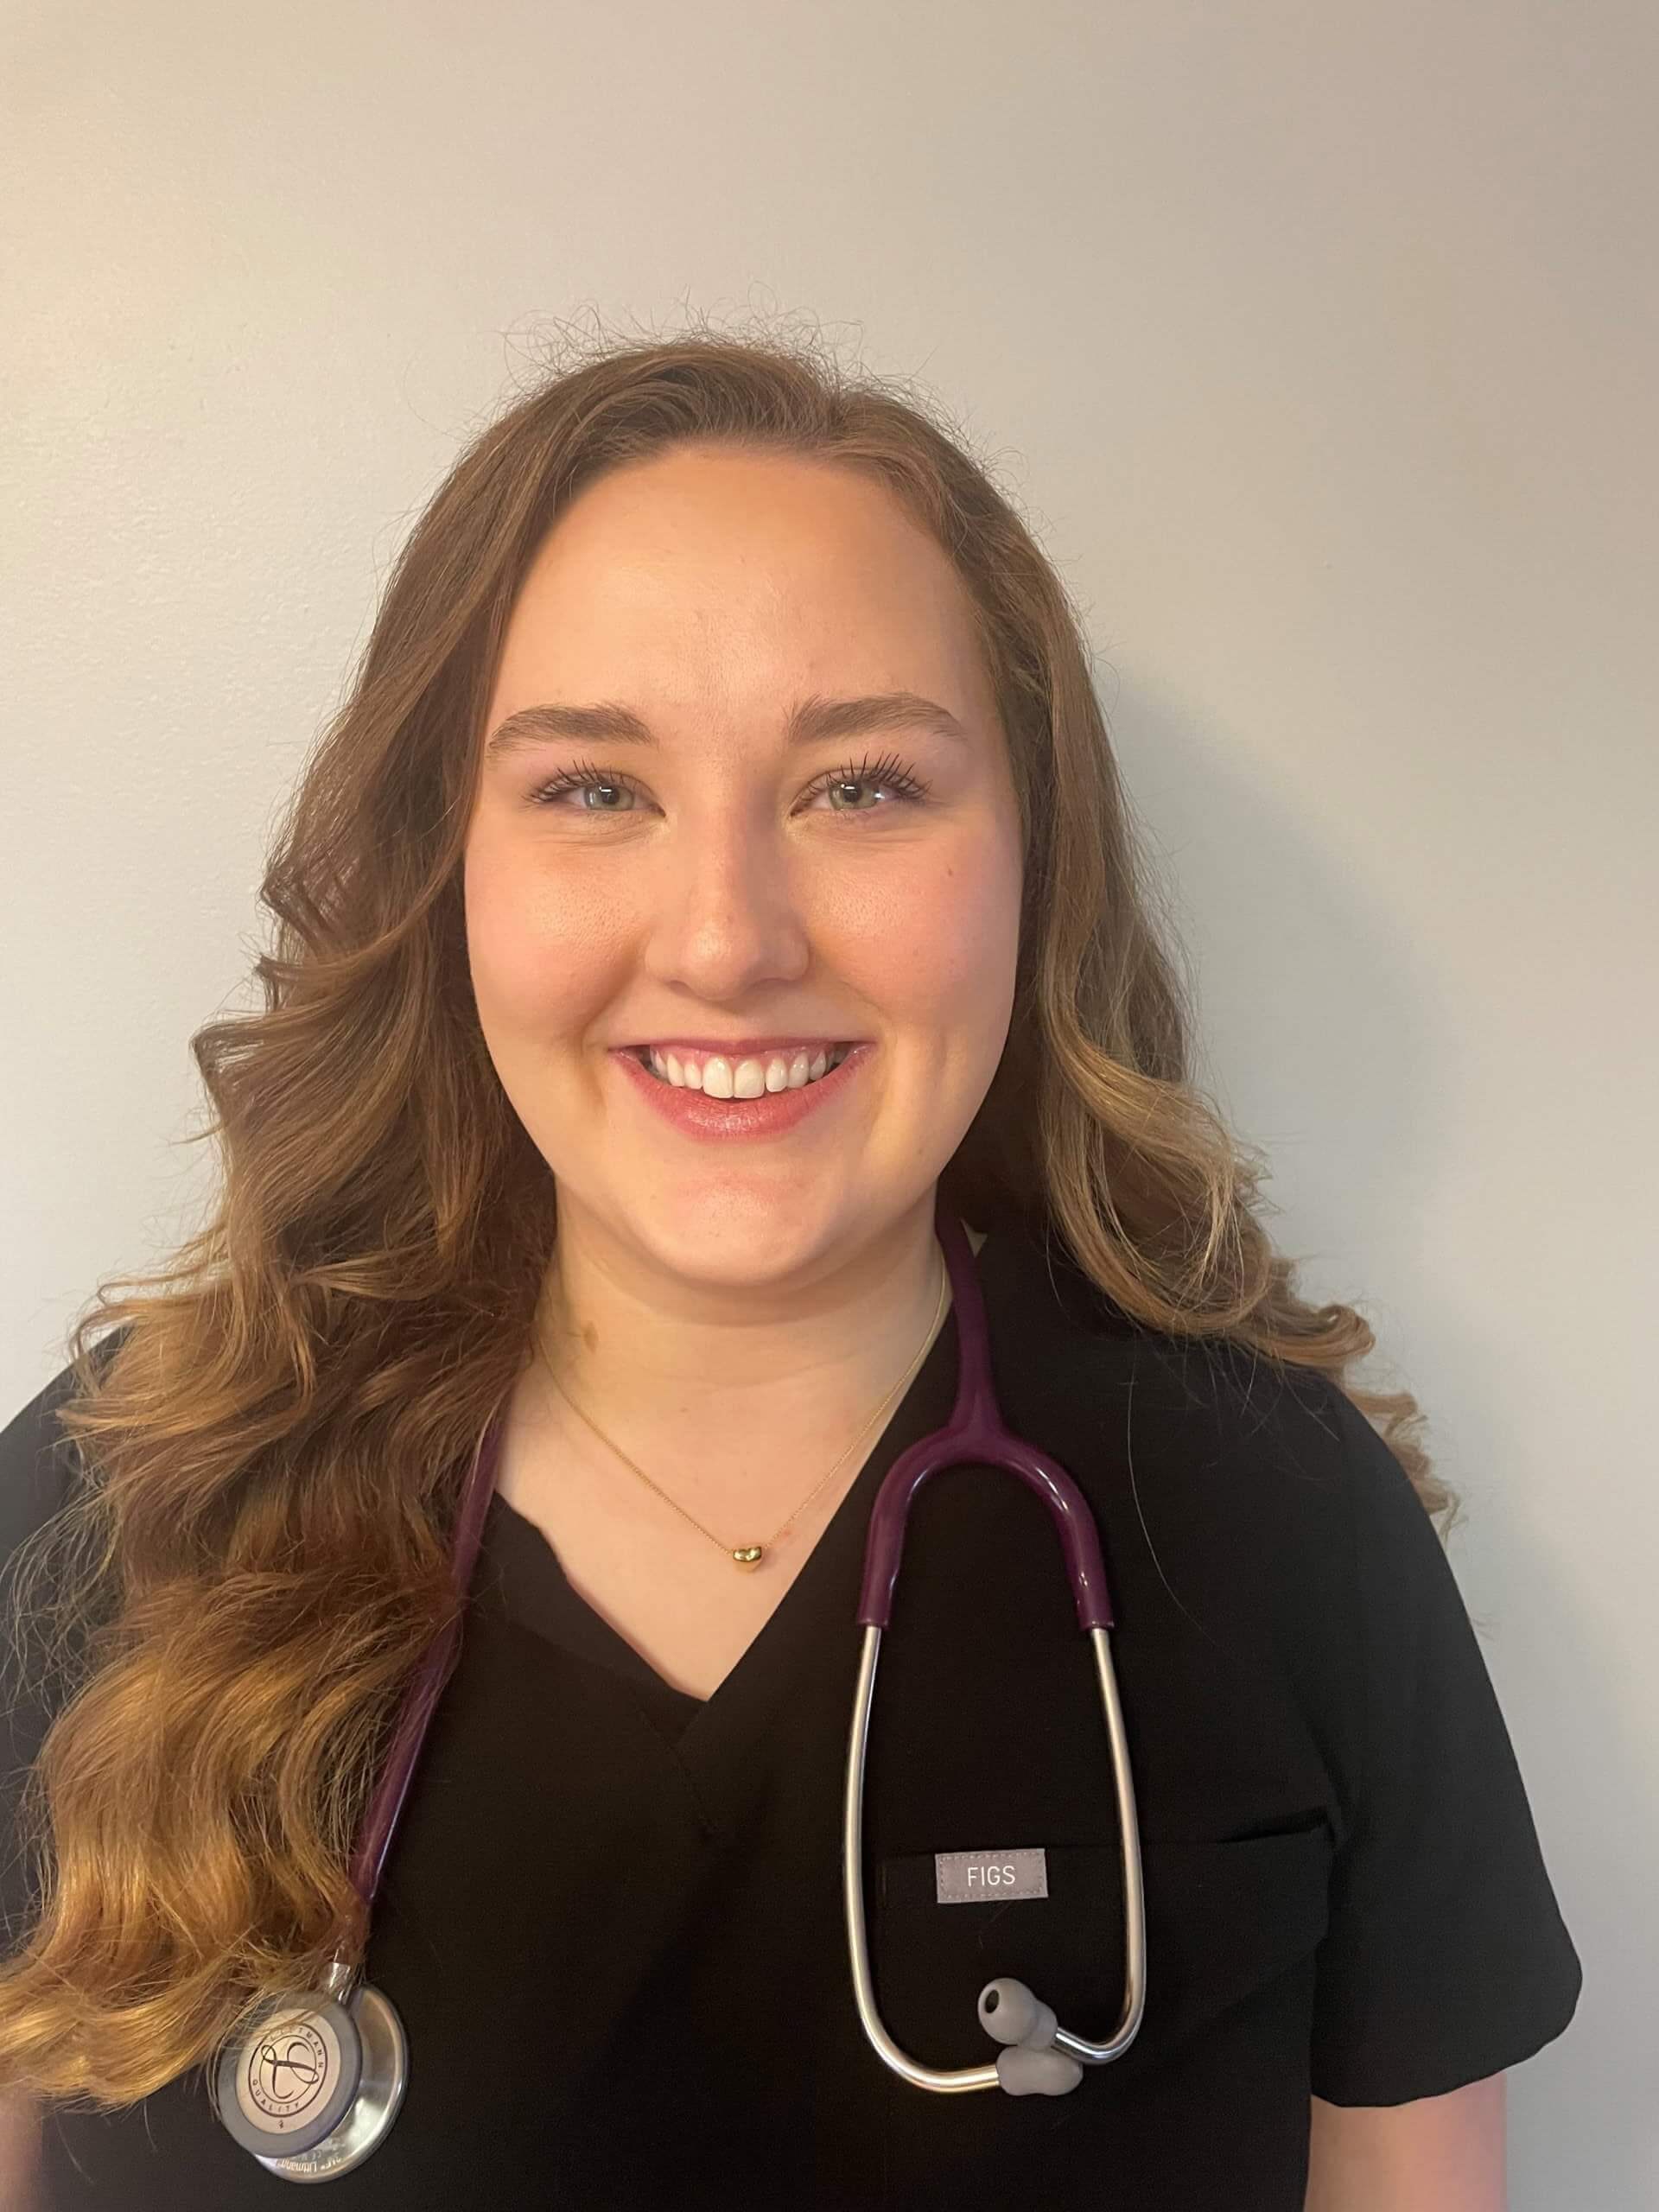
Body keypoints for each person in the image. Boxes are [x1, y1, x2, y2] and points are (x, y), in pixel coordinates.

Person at [0, 326, 1579, 2210]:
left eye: (863, 787)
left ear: (1031, 860)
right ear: (450, 870)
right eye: (593, 788)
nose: (731, 936)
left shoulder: (1272, 1519)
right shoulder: (113, 1509)